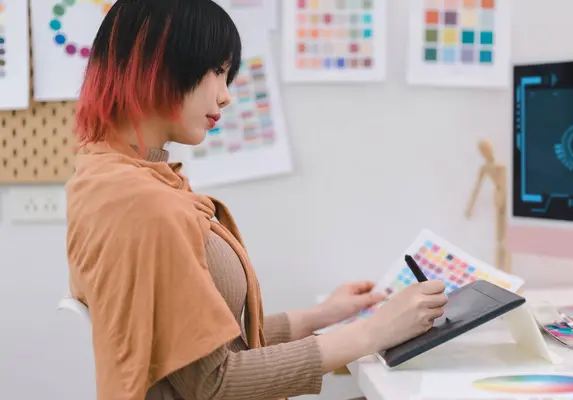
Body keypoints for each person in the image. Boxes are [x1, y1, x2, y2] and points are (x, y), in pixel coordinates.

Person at [65, 1, 448, 400]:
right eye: (218, 71)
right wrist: (375, 330)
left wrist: (323, 316)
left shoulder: (111, 175)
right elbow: (215, 383)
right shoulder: (140, 202)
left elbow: (206, 346)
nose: (226, 95)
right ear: (158, 61)